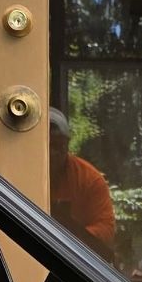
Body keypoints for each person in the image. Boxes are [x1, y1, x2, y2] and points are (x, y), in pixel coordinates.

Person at [48, 108, 116, 262]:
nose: (52, 153)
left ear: (67, 145)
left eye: (58, 145)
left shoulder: (89, 179)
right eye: (48, 144)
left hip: (79, 261)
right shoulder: (20, 176)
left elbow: (106, 229)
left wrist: (67, 241)